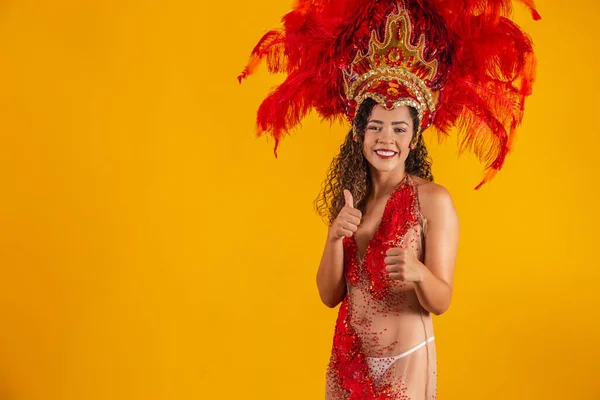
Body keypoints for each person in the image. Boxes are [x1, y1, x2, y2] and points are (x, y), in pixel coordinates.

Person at [239, 0, 539, 398]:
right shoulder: (352, 199)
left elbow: (442, 299)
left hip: (405, 361)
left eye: (398, 129)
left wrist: (417, 272)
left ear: (413, 139)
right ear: (360, 135)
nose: (386, 139)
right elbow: (329, 296)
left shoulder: (433, 200)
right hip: (348, 358)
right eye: (376, 127)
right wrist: (333, 238)